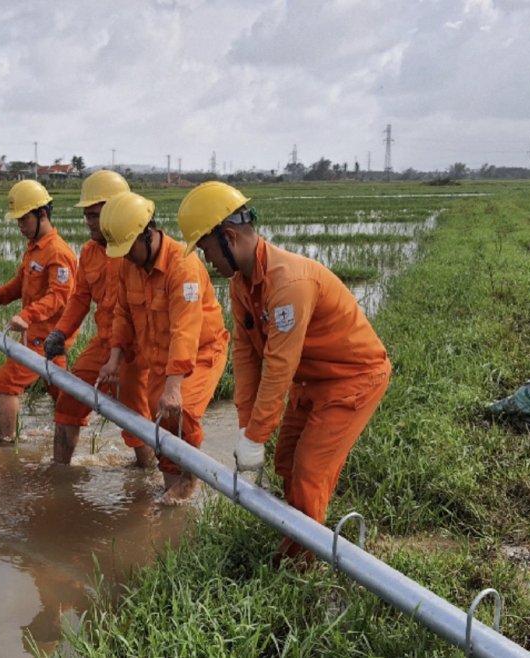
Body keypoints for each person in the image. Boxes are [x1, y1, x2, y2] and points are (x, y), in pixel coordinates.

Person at [178, 181, 391, 561]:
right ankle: (301, 537)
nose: (207, 260)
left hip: (352, 378)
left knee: (309, 469)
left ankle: (304, 563)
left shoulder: (289, 283)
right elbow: (246, 358)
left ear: (228, 237)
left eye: (208, 249)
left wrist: (258, 434)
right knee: (285, 461)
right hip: (310, 379)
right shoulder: (242, 284)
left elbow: (278, 366)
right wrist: (246, 426)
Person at [97, 192, 229, 504]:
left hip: (200, 353)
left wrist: (174, 388)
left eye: (128, 248)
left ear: (147, 234)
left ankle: (189, 478)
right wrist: (114, 360)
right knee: (162, 423)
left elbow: (185, 329)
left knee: (182, 415)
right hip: (157, 356)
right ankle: (175, 496)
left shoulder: (183, 266)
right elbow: (123, 313)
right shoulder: (127, 265)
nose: (125, 256)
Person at [41, 171, 153, 467]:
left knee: (135, 416)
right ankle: (59, 472)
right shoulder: (89, 252)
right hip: (102, 343)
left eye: (94, 215)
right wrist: (60, 333)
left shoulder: (134, 252)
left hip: (133, 350)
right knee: (69, 399)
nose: (88, 221)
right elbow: (79, 298)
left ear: (116, 211)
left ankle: (149, 475)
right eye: (86, 215)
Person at [0, 180, 77, 442]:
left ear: (42, 214)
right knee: (63, 397)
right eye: (17, 220)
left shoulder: (58, 252)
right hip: (39, 337)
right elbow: (20, 284)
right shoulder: (33, 248)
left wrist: (27, 315)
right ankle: (72, 438)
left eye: (24, 219)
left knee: (5, 384)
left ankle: (6, 444)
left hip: (47, 337)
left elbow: (60, 296)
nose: (19, 225)